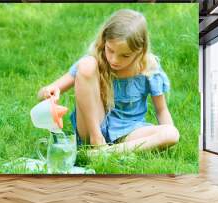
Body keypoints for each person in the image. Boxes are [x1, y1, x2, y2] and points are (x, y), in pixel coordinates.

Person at [37, 9, 179, 154]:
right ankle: (98, 144)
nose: (114, 60)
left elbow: (161, 110)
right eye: (110, 50)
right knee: (86, 64)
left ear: (140, 51)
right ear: (104, 41)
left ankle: (105, 153)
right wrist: (49, 92)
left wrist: (166, 136)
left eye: (125, 55)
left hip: (131, 132)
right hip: (93, 129)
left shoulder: (149, 69)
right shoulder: (96, 61)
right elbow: (42, 93)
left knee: (171, 133)